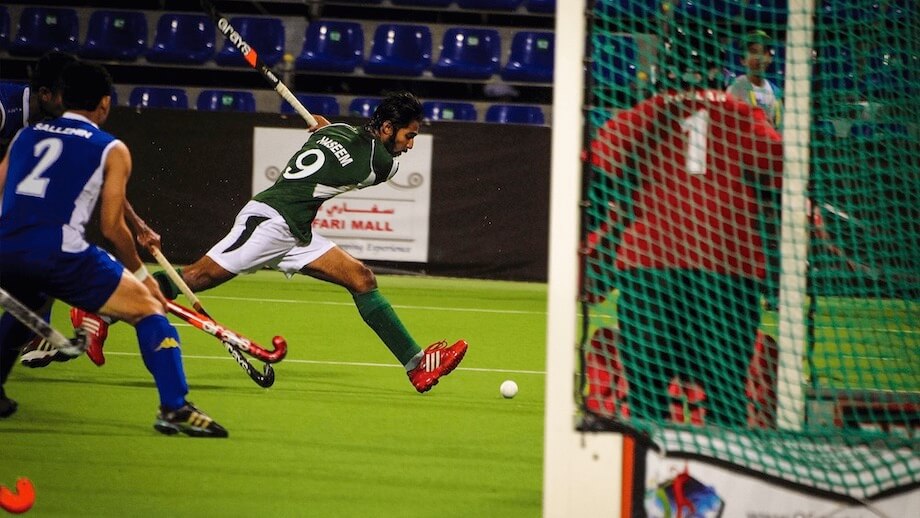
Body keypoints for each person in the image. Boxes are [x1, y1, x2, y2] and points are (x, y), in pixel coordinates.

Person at [76, 91, 469, 394]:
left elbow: (342, 136)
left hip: (296, 231)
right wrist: (327, 128)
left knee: (361, 278)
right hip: (272, 221)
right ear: (386, 129)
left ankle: (417, 364)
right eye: (408, 135)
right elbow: (363, 154)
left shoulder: (337, 132)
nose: (410, 144)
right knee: (197, 276)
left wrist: (327, 129)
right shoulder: (378, 164)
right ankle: (98, 310)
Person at [0, 61, 226, 437]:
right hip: (60, 253)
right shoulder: (111, 148)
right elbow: (110, 227)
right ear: (104, 103)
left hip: (6, 248)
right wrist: (141, 276)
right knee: (149, 309)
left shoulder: (27, 135)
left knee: (26, 306)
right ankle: (175, 407)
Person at [584, 54, 784, 428]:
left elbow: (602, 153)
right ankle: (728, 476)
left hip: (651, 264)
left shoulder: (650, 111)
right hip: (728, 264)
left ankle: (647, 476)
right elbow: (779, 162)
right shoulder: (744, 114)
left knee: (645, 393)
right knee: (726, 393)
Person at [0, 53, 160, 381]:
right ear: (47, 95)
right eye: (66, 94)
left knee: (33, 288)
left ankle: (30, 338)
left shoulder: (54, 127)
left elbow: (98, 177)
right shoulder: (5, 109)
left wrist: (136, 221)